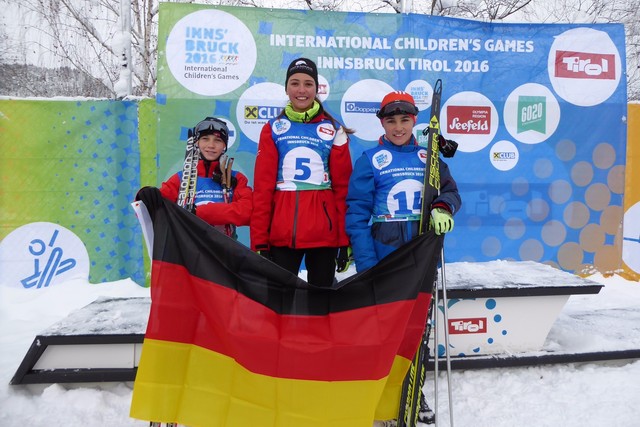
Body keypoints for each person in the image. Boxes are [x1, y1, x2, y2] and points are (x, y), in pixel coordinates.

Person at [346, 91, 461, 426]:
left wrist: (442, 206)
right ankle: (381, 389)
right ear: (382, 122)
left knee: (416, 331)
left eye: (405, 120)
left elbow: (451, 191)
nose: (398, 127)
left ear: (415, 121)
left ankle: (413, 390)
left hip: (422, 254)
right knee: (385, 330)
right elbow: (356, 213)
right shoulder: (371, 158)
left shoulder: (430, 156)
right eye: (391, 120)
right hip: (386, 257)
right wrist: (367, 264)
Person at [250, 57, 353, 287]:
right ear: (286, 88)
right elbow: (263, 190)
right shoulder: (273, 129)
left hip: (324, 237)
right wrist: (259, 242)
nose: (301, 90)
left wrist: (345, 240)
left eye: (308, 84)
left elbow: (343, 191)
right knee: (279, 304)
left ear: (317, 89)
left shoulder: (334, 129)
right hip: (282, 235)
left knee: (321, 304)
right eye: (295, 83)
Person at [137, 116, 252, 239]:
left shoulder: (236, 178)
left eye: (217, 140)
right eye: (205, 139)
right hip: (188, 250)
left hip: (224, 251)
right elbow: (148, 211)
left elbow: (247, 212)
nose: (211, 145)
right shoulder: (181, 179)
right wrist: (145, 197)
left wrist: (198, 212)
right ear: (197, 143)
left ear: (224, 146)